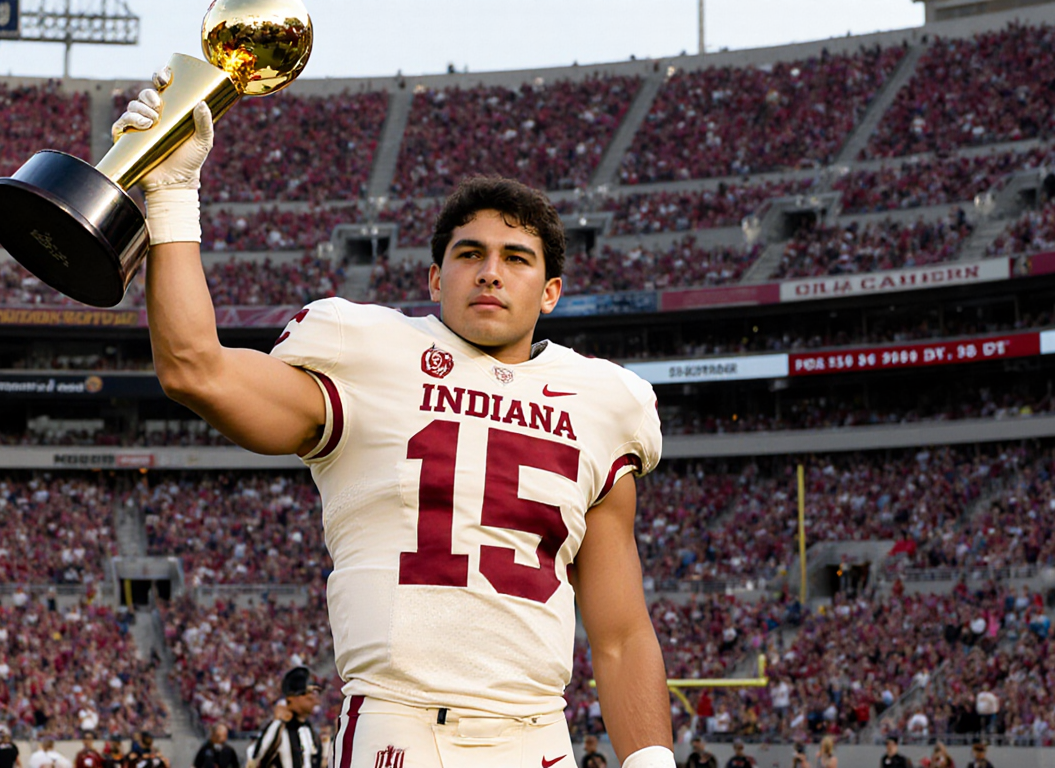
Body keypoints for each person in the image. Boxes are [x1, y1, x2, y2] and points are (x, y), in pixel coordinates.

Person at [118, 65, 671, 768]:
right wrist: (170, 194)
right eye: (469, 254)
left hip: (538, 738)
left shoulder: (601, 401)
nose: (491, 272)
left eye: (516, 259)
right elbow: (196, 367)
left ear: (552, 290)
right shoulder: (371, 352)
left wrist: (653, 761)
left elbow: (621, 633)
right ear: (436, 279)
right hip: (399, 727)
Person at [249, 667, 322, 768]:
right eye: (306, 693)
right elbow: (254, 760)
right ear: (291, 698)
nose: (312, 698)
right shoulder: (278, 729)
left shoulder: (311, 732)